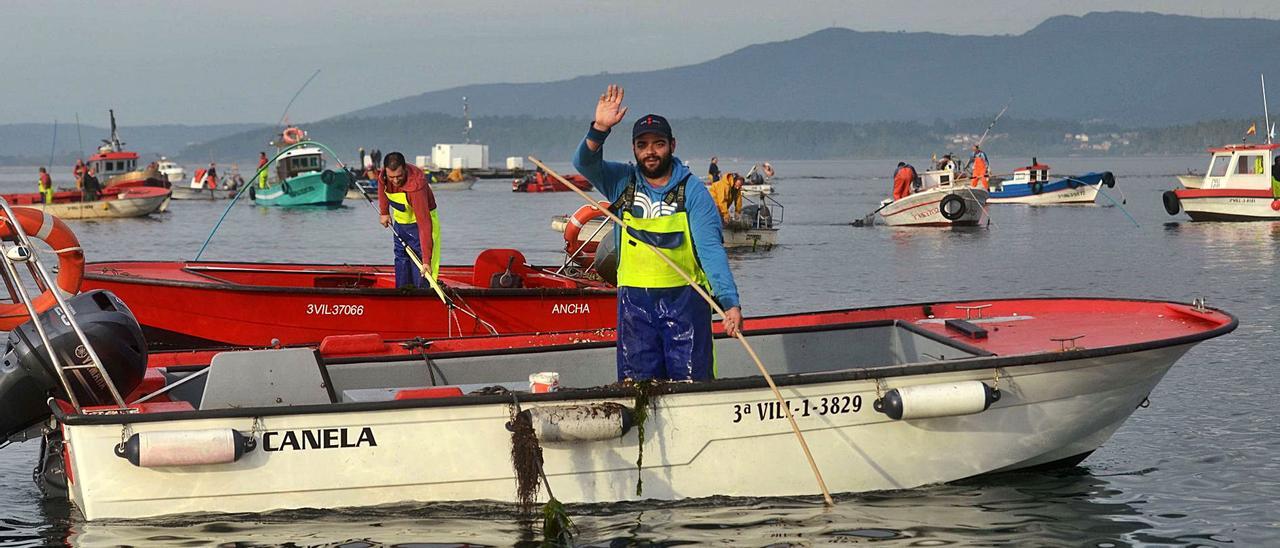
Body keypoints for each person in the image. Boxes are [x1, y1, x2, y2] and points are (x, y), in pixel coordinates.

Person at [573, 84, 743, 383]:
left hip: (686, 302)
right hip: (634, 304)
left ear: (672, 145)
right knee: (637, 389)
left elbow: (711, 251)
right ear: (634, 149)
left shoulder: (693, 191)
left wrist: (730, 303)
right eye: (643, 144)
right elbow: (584, 163)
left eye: (658, 143)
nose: (650, 151)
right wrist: (600, 127)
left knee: (693, 386)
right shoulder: (621, 182)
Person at [376, 151, 439, 289]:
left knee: (420, 262)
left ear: (405, 169)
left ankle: (421, 292)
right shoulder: (383, 176)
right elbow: (382, 187)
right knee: (401, 257)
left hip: (420, 224)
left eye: (399, 176)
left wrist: (427, 260)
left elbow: (425, 225)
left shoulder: (416, 186)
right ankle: (402, 291)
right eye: (391, 177)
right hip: (400, 222)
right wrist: (384, 212)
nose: (395, 180)